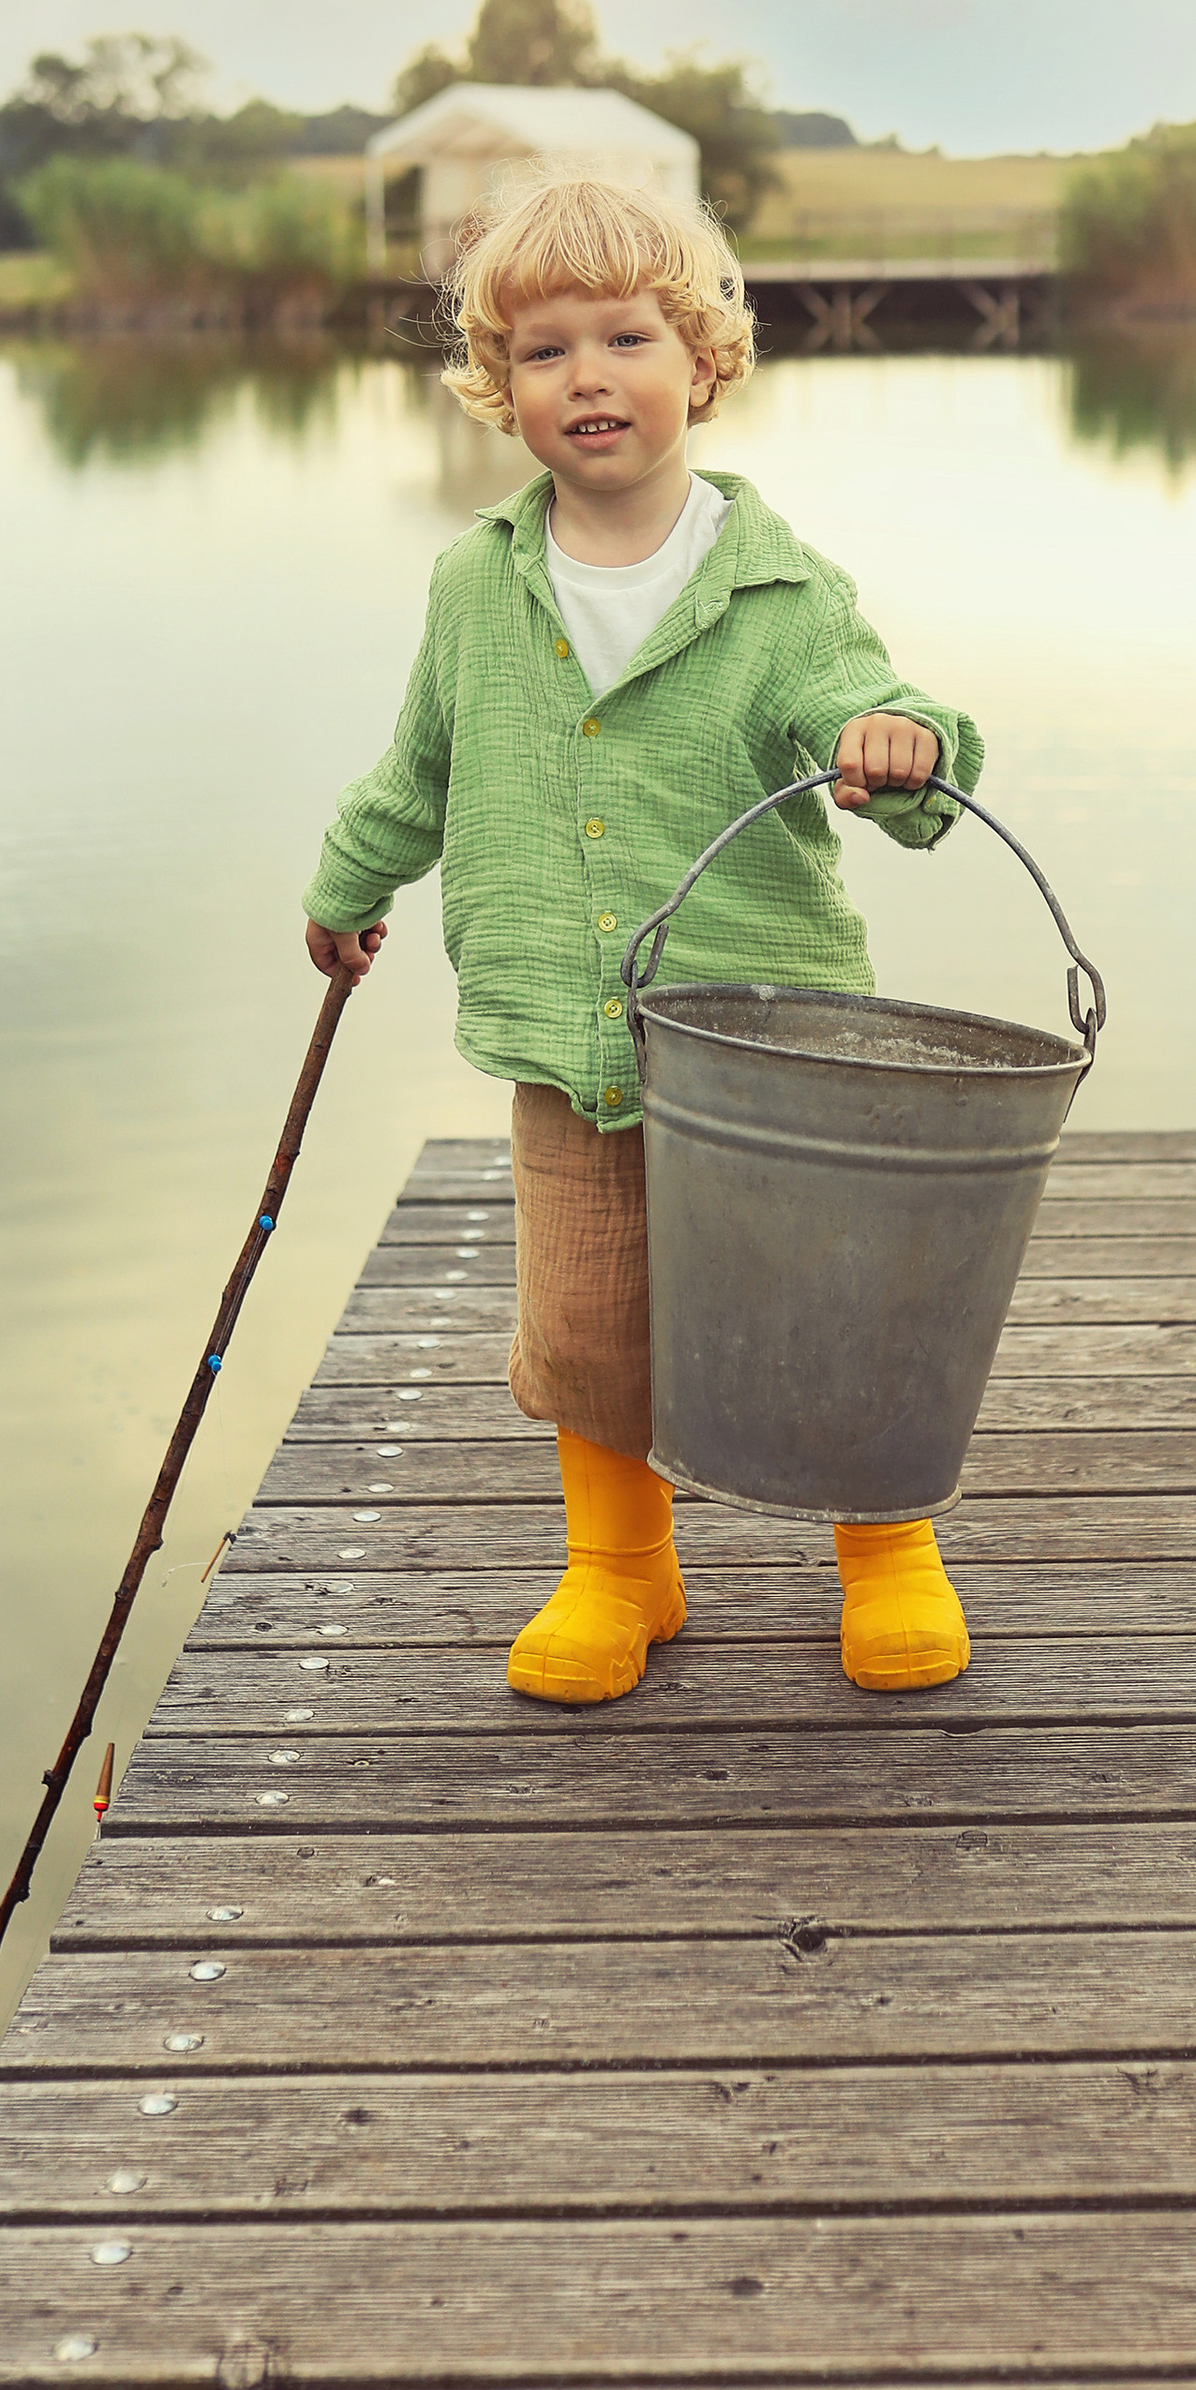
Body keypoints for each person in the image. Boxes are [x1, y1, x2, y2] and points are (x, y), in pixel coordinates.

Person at [301, 167, 985, 1707]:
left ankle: (887, 1552)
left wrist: (900, 745)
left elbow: (867, 707)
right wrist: (350, 884)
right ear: (500, 387)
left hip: (769, 1041)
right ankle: (622, 1567)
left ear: (702, 364)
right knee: (592, 1319)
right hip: (570, 1027)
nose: (587, 379)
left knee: (829, 1300)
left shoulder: (779, 588)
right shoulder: (478, 582)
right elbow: (422, 767)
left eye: (625, 340)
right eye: (544, 353)